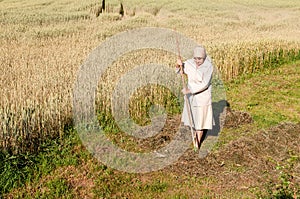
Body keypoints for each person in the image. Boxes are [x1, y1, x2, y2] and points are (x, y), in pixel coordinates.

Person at [176, 46, 214, 149]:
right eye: (195, 58)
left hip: (202, 97)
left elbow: (205, 84)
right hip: (191, 99)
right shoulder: (190, 63)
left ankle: (196, 145)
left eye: (200, 59)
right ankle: (194, 137)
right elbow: (181, 71)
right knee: (192, 119)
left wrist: (189, 90)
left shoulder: (208, 67)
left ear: (204, 57)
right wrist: (179, 65)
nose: (197, 61)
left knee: (200, 122)